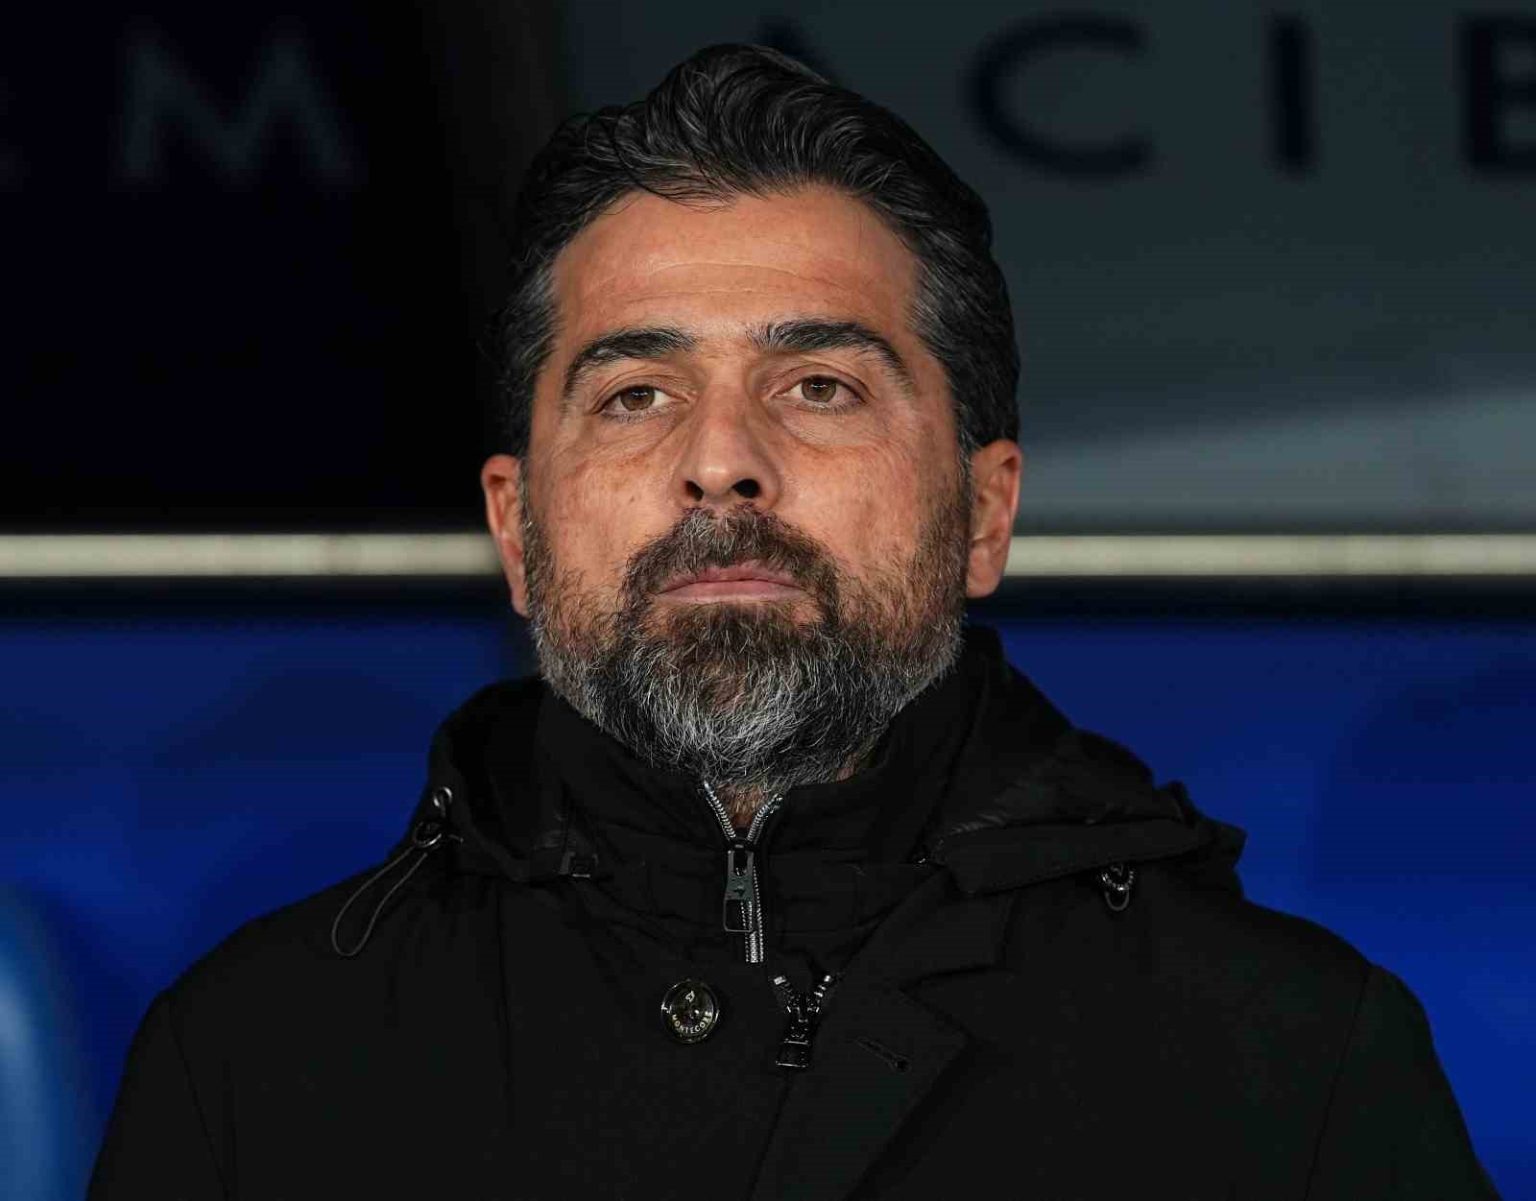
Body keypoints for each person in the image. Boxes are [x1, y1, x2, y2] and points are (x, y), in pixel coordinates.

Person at [88, 45, 1499, 1200]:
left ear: (984, 511)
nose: (722, 461)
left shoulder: (1289, 1062)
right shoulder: (257, 1060)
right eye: (636, 394)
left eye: (819, 385)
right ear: (516, 530)